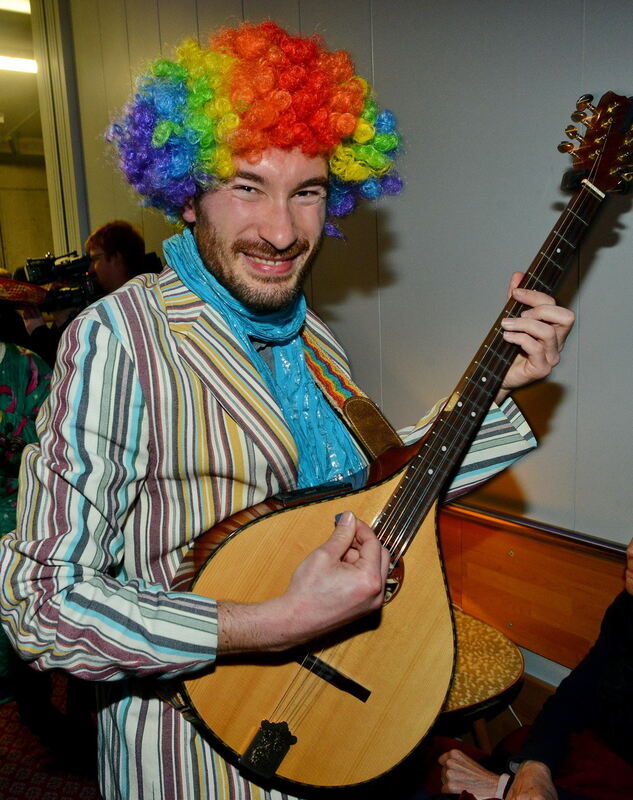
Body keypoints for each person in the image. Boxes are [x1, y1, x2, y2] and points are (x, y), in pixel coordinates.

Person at [0, 21, 575, 800]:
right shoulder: (121, 337)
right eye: (246, 186)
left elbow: (369, 498)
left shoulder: (315, 339)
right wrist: (268, 622)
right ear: (188, 192)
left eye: (306, 192)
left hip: (337, 740)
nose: (281, 231)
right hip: (197, 754)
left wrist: (498, 391)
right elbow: (41, 605)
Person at [437, 537, 633, 800]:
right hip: (582, 764)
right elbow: (574, 698)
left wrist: (502, 788)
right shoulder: (627, 607)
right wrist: (534, 766)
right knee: (434, 762)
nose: (629, 549)